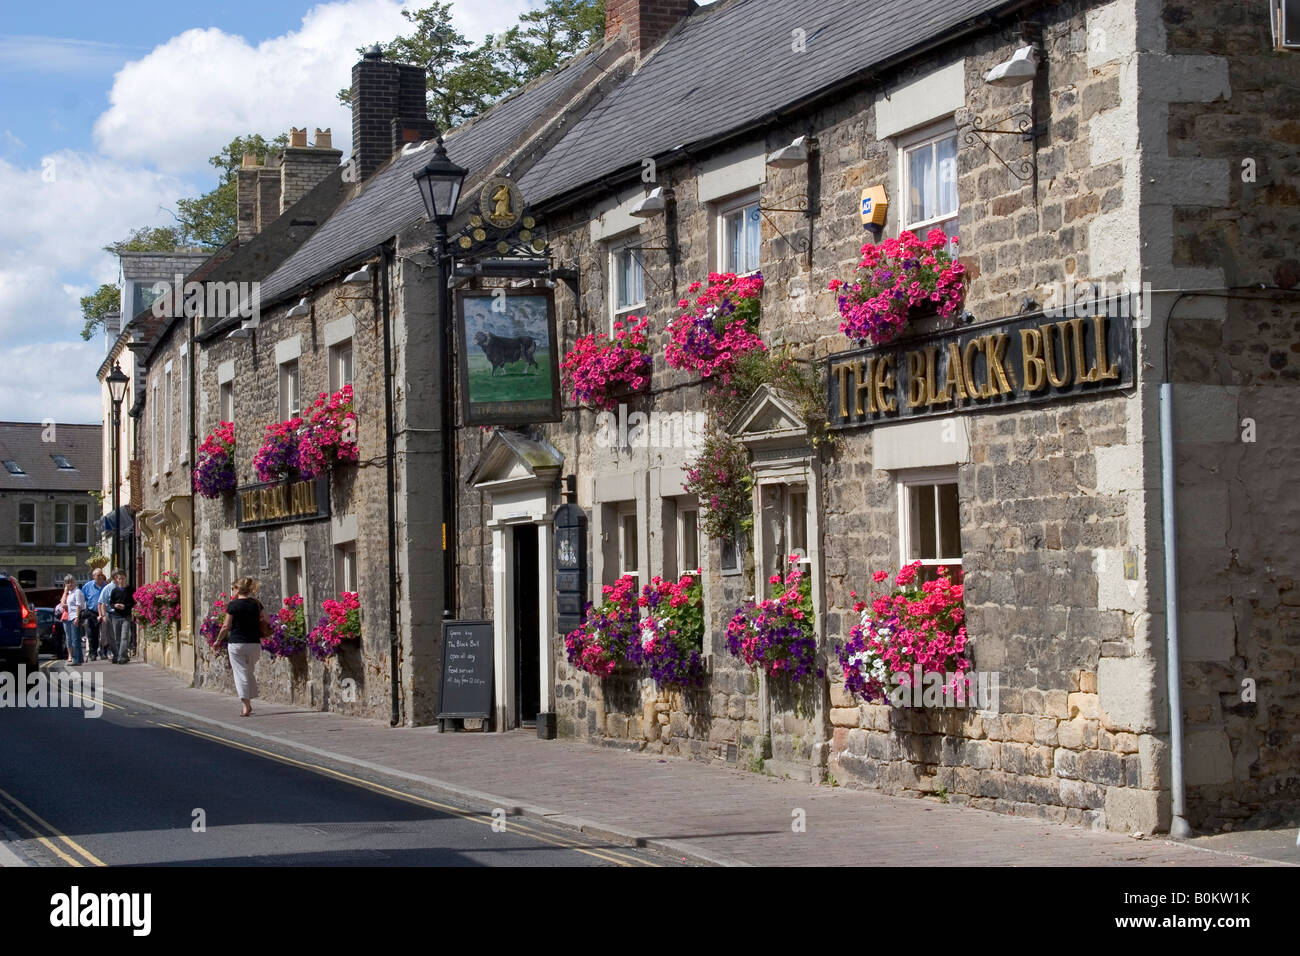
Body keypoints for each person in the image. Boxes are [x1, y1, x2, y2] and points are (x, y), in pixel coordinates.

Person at [219, 577, 268, 717]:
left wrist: (218, 640)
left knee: (240, 674)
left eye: (233, 588)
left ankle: (246, 706)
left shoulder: (233, 605)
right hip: (254, 643)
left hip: (237, 643)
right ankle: (249, 702)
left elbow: (226, 626)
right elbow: (267, 619)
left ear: (237, 589)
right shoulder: (256, 604)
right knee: (248, 672)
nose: (232, 591)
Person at [100, 569, 135, 665]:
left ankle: (121, 657)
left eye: (123, 578)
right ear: (117, 579)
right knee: (117, 639)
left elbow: (133, 603)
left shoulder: (130, 590)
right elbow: (110, 603)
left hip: (126, 616)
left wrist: (125, 606)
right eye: (119, 579)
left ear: (125, 579)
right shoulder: (114, 591)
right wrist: (115, 605)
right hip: (116, 616)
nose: (121, 580)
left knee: (124, 637)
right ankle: (122, 655)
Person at [56, 575, 86, 665]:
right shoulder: (70, 593)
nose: (70, 584)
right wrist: (65, 592)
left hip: (74, 616)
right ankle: (79, 659)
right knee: (73, 639)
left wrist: (77, 617)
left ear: (75, 582)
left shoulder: (77, 592)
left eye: (71, 582)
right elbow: (63, 604)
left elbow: (78, 606)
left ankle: (75, 659)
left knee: (75, 639)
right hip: (69, 617)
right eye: (67, 583)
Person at [81, 569, 108, 661]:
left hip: (104, 612)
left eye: (101, 575)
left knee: (104, 634)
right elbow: (82, 599)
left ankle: (104, 652)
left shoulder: (106, 585)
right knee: (92, 634)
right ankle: (93, 653)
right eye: (98, 575)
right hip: (92, 612)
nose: (100, 577)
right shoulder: (87, 586)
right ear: (94, 577)